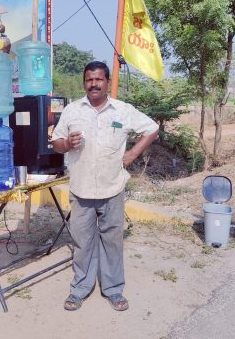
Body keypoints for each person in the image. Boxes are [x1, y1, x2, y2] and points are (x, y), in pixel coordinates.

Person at [51, 61, 159, 312]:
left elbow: (152, 129)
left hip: (112, 188)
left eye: (98, 79)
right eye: (89, 80)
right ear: (84, 83)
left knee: (112, 240)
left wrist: (132, 153)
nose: (94, 84)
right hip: (81, 188)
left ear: (107, 82)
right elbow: (56, 141)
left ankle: (113, 289)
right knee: (82, 242)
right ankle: (80, 288)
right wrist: (67, 143)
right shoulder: (72, 111)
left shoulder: (122, 111)